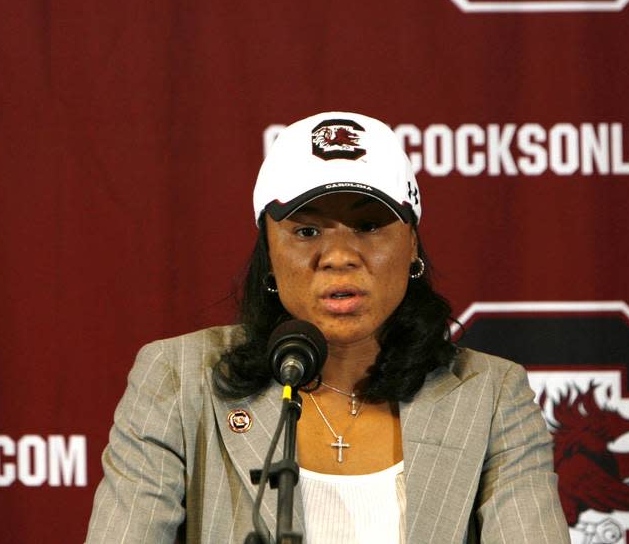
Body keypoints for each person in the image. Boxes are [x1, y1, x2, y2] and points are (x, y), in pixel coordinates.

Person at [86, 112, 569, 543]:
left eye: (369, 226)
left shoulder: (490, 395)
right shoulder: (179, 377)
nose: (339, 257)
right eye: (307, 231)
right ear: (269, 257)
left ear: (413, 247)